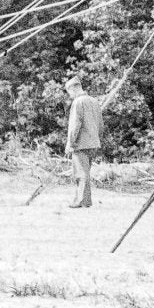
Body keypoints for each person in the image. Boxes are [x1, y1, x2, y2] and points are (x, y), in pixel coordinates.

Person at [63, 75, 112, 208]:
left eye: (69, 92)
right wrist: (97, 138)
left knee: (80, 173)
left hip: (81, 143)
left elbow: (74, 125)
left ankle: (82, 201)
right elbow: (101, 124)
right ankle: (84, 200)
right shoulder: (94, 101)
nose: (70, 95)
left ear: (72, 88)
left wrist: (70, 143)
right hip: (94, 142)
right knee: (85, 172)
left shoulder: (78, 102)